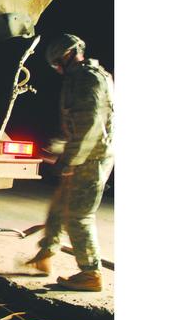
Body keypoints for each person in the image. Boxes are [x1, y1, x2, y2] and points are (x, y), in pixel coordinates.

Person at [25, 34, 114, 292]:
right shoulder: (85, 76)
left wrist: (69, 161)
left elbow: (90, 127)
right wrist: (62, 150)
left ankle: (90, 273)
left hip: (92, 158)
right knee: (59, 206)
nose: (58, 69)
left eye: (57, 63)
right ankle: (46, 255)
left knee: (78, 215)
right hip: (86, 153)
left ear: (69, 54)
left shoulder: (87, 79)